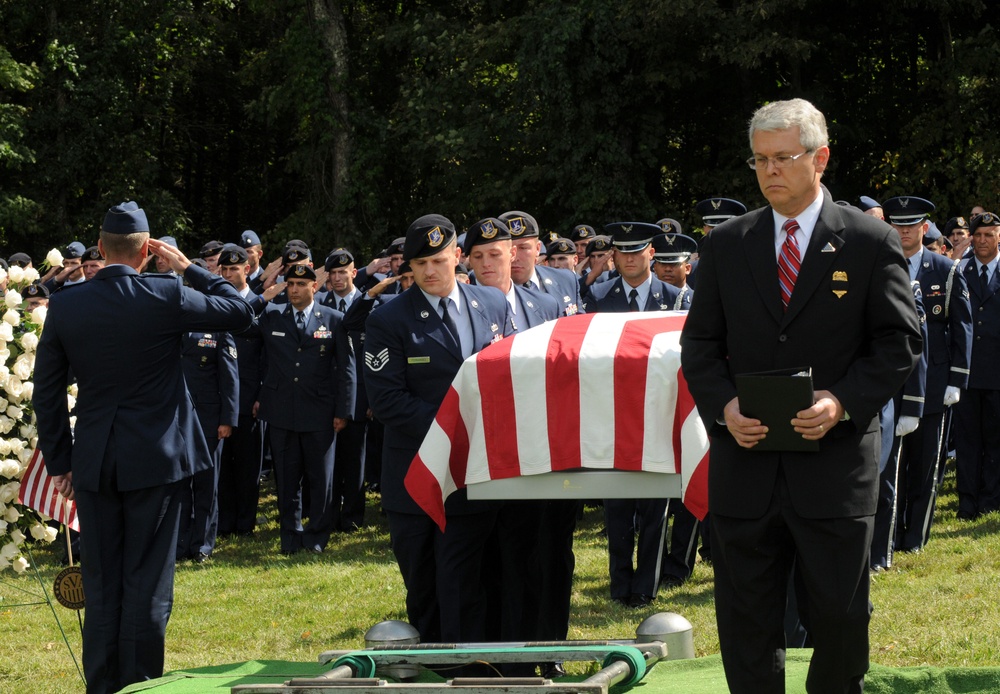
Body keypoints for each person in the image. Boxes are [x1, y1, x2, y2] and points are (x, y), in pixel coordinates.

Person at [680, 99, 921, 693]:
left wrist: (841, 402)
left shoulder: (868, 241)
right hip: (746, 462)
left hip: (832, 466)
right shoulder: (727, 244)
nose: (770, 172)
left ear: (821, 158)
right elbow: (700, 347)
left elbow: (898, 343)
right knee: (746, 621)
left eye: (783, 158)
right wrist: (725, 406)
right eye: (760, 160)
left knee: (839, 617)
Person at [33, 201, 254, 694]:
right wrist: (188, 267)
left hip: (94, 460)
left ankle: (103, 685)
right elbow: (242, 309)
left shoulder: (67, 303)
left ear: (100, 243)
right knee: (148, 585)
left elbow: (46, 393)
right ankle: (141, 685)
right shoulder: (165, 294)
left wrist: (61, 462)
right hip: (157, 459)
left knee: (103, 582)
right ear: (148, 250)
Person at [363, 213, 513, 644]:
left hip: (478, 474)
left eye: (438, 260)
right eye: (419, 263)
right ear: (408, 267)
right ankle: (431, 664)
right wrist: (457, 429)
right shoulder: (388, 320)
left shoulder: (493, 305)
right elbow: (387, 401)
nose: (429, 271)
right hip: (417, 474)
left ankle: (479, 664)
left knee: (475, 578)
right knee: (426, 584)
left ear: (457, 257)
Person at [588, 221, 680, 607]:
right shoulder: (597, 296)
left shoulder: (675, 299)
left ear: (651, 254)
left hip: (658, 411)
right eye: (621, 251)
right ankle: (619, 583)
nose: (628, 258)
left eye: (636, 251)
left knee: (655, 507)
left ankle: (646, 586)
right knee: (617, 506)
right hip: (611, 414)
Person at [882, 196, 971, 549]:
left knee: (924, 465)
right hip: (890, 382)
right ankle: (887, 537)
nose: (904, 232)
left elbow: (960, 326)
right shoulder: (879, 265)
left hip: (933, 382)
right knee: (890, 467)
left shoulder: (943, 269)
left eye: (911, 226)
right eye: (898, 225)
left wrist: (957, 379)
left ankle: (914, 537)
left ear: (924, 228)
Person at [254, 263, 355, 554]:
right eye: (291, 284)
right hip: (282, 410)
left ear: (315, 286)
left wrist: (343, 410)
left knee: (320, 479)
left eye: (301, 284)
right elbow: (243, 320)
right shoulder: (273, 317)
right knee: (286, 479)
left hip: (321, 412)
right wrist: (263, 295)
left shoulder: (334, 320)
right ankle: (290, 536)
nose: (295, 289)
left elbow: (346, 369)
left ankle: (317, 536)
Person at [954, 212, 1000, 519]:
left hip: (997, 372)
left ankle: (991, 500)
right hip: (967, 372)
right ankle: (967, 502)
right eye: (978, 235)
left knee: (996, 441)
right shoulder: (959, 271)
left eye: (989, 235)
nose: (982, 240)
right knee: (967, 441)